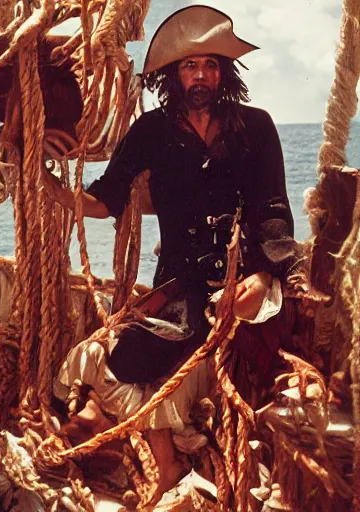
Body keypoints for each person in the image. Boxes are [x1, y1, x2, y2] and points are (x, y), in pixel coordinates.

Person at [42, 5, 299, 500]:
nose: (200, 75)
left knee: (256, 359)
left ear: (224, 71)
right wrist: (44, 181)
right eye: (189, 66)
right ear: (171, 75)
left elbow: (274, 209)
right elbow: (105, 198)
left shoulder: (256, 126)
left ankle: (169, 455)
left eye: (209, 64)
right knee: (115, 356)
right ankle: (168, 465)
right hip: (179, 284)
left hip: (244, 278)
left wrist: (265, 277)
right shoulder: (151, 132)